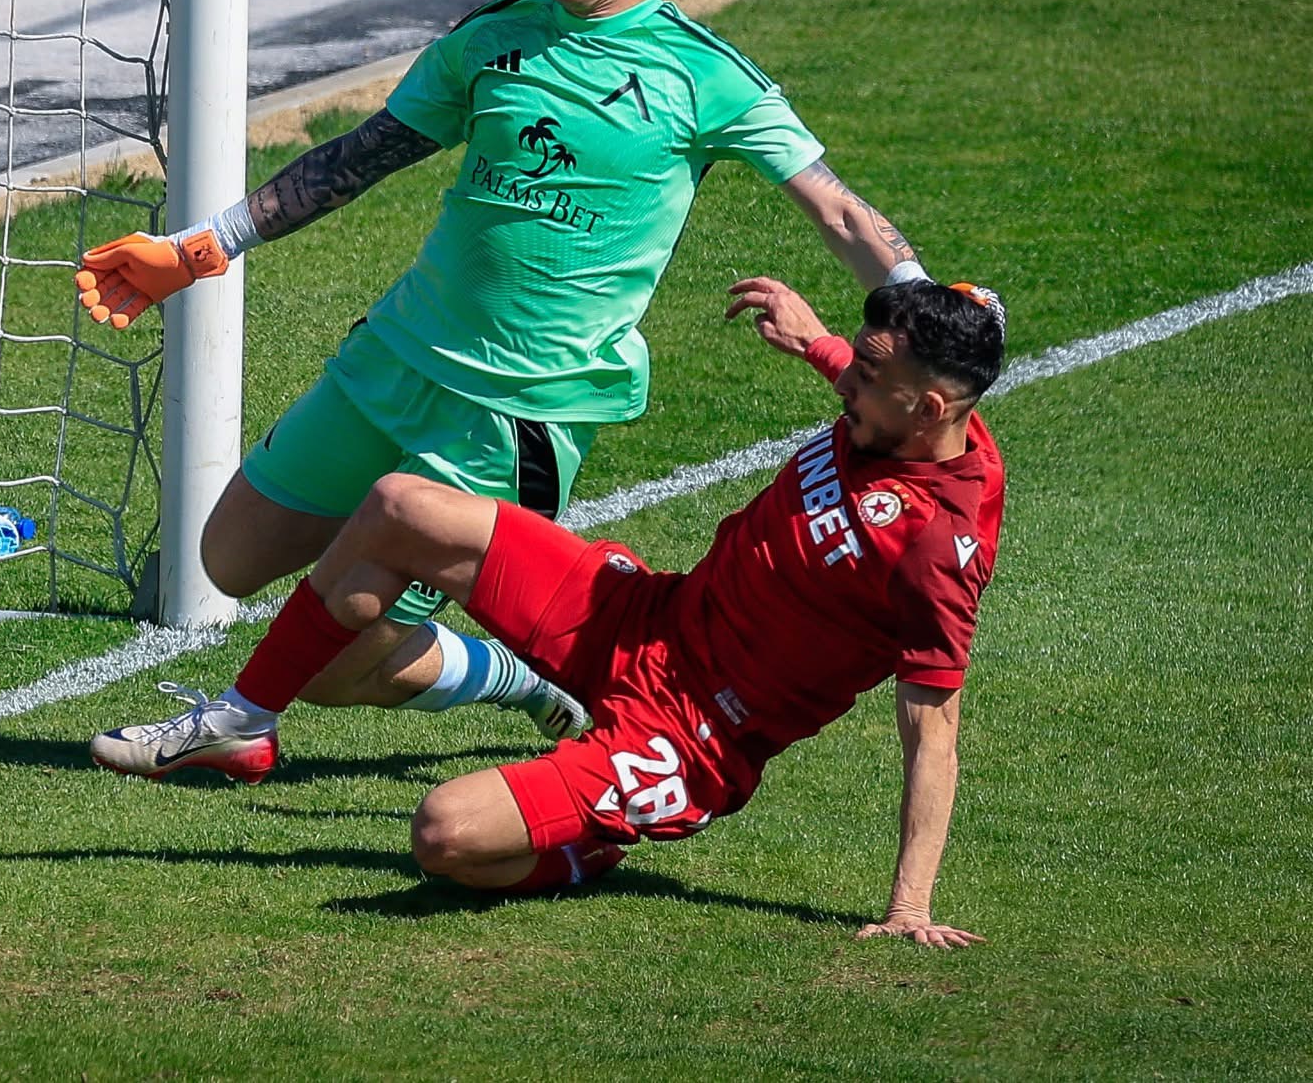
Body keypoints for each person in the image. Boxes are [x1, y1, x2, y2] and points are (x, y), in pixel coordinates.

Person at [76, 0, 933, 757]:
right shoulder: (499, 35)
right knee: (227, 558)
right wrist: (204, 246)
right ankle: (518, 675)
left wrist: (928, 300)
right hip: (396, 356)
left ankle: (249, 723)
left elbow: (839, 213)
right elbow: (363, 155)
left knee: (324, 660)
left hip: (518, 408)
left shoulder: (703, 75)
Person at [103, 276, 1007, 945]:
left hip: (689, 738)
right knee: (399, 506)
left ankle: (590, 845)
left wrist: (909, 908)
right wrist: (818, 343)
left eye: (865, 373)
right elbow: (874, 381)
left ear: (926, 407)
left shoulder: (938, 548)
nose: (847, 379)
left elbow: (935, 731)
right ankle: (244, 721)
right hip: (646, 615)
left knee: (444, 837)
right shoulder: (896, 412)